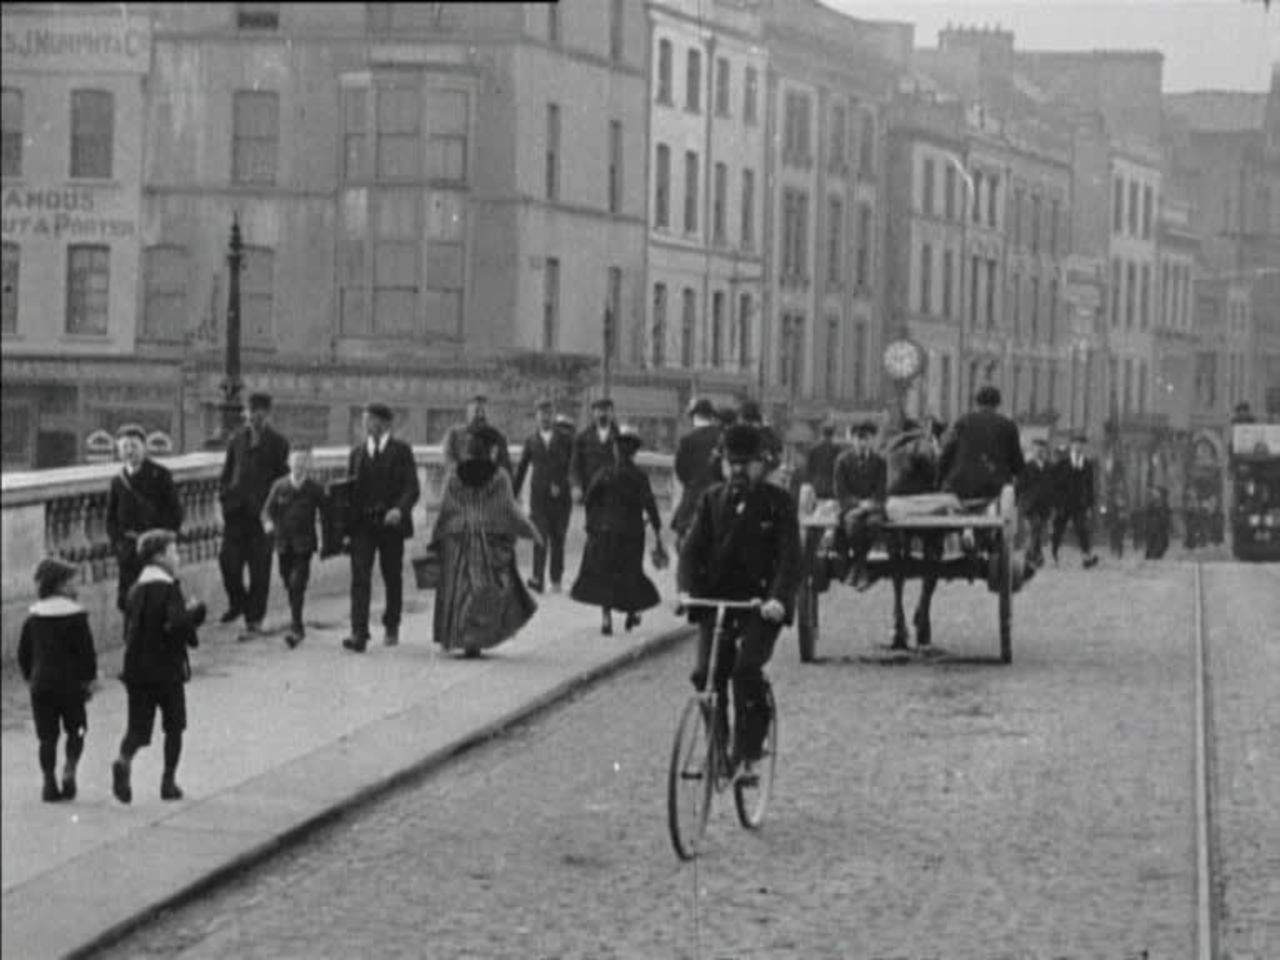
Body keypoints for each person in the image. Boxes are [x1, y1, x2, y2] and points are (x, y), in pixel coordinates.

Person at [676, 424, 801, 778]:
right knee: (705, 676)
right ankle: (718, 749)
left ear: (761, 465)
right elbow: (691, 552)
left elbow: (790, 559)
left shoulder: (778, 503)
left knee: (746, 671)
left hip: (760, 607)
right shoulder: (711, 500)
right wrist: (686, 590)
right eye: (732, 464)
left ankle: (747, 752)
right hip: (718, 604)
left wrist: (777, 599)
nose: (738, 471)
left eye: (746, 464)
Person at [112, 529, 207, 804]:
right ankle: (168, 782)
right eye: (174, 552)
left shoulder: (136, 589)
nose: (178, 557)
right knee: (174, 726)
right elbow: (177, 625)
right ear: (160, 556)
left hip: (136, 669)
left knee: (137, 728)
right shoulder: (168, 588)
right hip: (166, 668)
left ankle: (123, 759)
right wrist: (194, 616)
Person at [431, 428, 541, 658]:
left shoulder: (454, 474)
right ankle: (476, 640)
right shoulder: (499, 476)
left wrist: (436, 537)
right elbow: (508, 510)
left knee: (459, 592)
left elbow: (446, 509)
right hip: (488, 542)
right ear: (490, 450)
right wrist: (531, 531)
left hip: (459, 541)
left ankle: (459, 636)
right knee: (484, 590)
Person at [570, 425, 666, 636]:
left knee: (606, 575)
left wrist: (592, 526)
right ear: (634, 452)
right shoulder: (639, 476)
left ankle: (606, 618)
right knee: (630, 573)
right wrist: (658, 531)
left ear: (615, 450)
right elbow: (650, 504)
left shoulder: (605, 473)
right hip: (632, 533)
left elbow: (589, 500)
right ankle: (631, 613)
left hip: (605, 532)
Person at [342, 403, 421, 653]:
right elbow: (348, 494)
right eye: (364, 420)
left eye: (371, 420)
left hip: (391, 526)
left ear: (385, 424)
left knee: (391, 576)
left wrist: (400, 509)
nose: (366, 425)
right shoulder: (356, 454)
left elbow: (412, 488)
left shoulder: (401, 451)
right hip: (363, 526)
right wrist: (345, 531)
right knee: (360, 577)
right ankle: (359, 632)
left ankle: (391, 626)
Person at [18, 558, 97, 802]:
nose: (78, 586)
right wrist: (89, 680)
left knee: (47, 736)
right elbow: (86, 654)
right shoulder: (76, 617)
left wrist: (30, 677)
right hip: (71, 686)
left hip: (41, 685)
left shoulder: (34, 618)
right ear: (61, 585)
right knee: (78, 729)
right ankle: (69, 769)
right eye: (74, 581)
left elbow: (24, 654)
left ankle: (48, 780)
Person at [217, 392, 289, 635]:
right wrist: (225, 497)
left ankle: (254, 619)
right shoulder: (236, 439)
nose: (254, 418)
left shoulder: (279, 443)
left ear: (268, 415)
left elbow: (283, 480)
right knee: (228, 562)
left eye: (260, 413)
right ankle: (238, 602)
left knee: (260, 570)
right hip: (235, 514)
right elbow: (227, 474)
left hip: (262, 516)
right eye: (250, 412)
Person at [106, 424, 184, 616]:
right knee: (129, 601)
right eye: (124, 447)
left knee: (158, 599)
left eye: (134, 446)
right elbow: (111, 519)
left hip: (155, 551)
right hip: (129, 552)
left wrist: (161, 541)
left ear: (144, 447)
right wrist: (119, 545)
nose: (129, 451)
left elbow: (175, 513)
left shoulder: (160, 475)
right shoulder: (117, 481)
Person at [262, 445, 328, 648]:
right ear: (289, 464)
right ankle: (296, 621)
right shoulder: (280, 486)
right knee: (287, 581)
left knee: (297, 581)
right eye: (295, 462)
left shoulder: (314, 488)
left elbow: (327, 515)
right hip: (282, 543)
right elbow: (266, 510)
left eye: (303, 463)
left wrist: (329, 541)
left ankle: (296, 627)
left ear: (308, 465)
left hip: (304, 544)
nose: (299, 467)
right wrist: (268, 523)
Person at [513, 399, 574, 594]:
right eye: (541, 414)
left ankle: (556, 579)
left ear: (553, 415)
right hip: (538, 499)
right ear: (537, 417)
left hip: (561, 500)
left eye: (549, 413)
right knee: (539, 538)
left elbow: (573, 467)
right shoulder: (531, 441)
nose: (545, 417)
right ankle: (538, 580)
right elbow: (521, 469)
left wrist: (563, 484)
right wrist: (513, 494)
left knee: (558, 538)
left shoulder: (566, 439)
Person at [936, 385, 1025, 503]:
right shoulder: (1008, 425)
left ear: (977, 402)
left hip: (961, 486)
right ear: (997, 403)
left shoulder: (963, 421)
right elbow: (1017, 463)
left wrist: (939, 480)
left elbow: (947, 455)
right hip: (995, 488)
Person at [832, 421, 887, 590]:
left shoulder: (879, 462)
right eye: (858, 438)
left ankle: (857, 566)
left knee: (874, 524)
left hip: (873, 509)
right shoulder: (843, 461)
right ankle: (861, 568)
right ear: (852, 440)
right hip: (851, 508)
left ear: (872, 440)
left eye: (866, 438)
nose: (862, 442)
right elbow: (840, 491)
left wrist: (871, 505)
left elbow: (881, 491)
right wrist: (858, 504)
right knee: (852, 524)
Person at [671, 398, 724, 546]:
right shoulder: (721, 438)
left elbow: (680, 469)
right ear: (712, 417)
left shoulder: (687, 440)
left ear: (694, 417)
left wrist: (690, 483)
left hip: (693, 494)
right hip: (719, 494)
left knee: (684, 537)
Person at [1050, 432, 1099, 568]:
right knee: (1058, 530)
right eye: (1076, 443)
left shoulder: (1087, 464)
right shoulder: (1062, 463)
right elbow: (1054, 484)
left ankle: (1087, 557)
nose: (1078, 446)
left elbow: (1090, 486)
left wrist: (1089, 505)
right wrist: (1056, 502)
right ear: (1071, 445)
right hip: (1063, 504)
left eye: (1081, 444)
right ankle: (1054, 554)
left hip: (1079, 504)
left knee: (1082, 529)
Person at [444, 395, 512, 477]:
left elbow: (505, 466)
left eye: (484, 412)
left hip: (490, 483)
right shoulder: (454, 434)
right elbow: (449, 461)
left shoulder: (498, 436)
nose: (480, 415)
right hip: (461, 482)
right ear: (468, 413)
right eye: (476, 411)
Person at [573, 397, 620, 503]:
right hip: (591, 491)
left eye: (606, 410)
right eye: (599, 411)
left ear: (612, 413)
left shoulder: (620, 438)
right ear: (593, 413)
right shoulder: (582, 437)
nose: (603, 414)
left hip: (613, 492)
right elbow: (574, 465)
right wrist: (576, 485)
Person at [1016, 438, 1054, 567]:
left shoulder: (1049, 467)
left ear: (1045, 451)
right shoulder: (1027, 467)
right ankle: (1031, 555)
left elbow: (1053, 485)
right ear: (1033, 450)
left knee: (1038, 530)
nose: (1039, 451)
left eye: (1042, 449)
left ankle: (1037, 555)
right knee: (1035, 527)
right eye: (1037, 449)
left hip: (1044, 504)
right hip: (1030, 505)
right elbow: (1020, 486)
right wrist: (1017, 501)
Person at [738, 400, 783, 475]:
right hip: (759, 466)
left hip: (758, 465)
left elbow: (775, 449)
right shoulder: (766, 431)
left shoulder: (764, 432)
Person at [1144, 484, 1172, 560]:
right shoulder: (1152, 503)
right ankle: (1151, 558)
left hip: (1161, 528)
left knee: (1161, 544)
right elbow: (1147, 514)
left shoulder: (1164, 504)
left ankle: (1156, 557)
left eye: (1156, 492)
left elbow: (1167, 515)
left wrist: (1167, 524)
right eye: (1154, 492)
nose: (1154, 494)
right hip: (1152, 527)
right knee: (1152, 543)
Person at [1103, 483, 1129, 559]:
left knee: (1119, 539)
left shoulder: (1122, 505)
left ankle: (1119, 553)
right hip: (1113, 523)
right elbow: (1108, 514)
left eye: (1119, 497)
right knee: (1113, 537)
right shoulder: (1111, 504)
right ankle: (1114, 550)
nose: (1118, 499)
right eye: (1116, 497)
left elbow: (1124, 516)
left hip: (1120, 524)